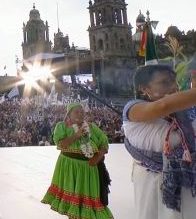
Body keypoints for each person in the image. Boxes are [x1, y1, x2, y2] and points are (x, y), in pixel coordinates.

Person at [123, 65, 196, 218]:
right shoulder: (132, 108)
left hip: (187, 183)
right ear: (144, 89)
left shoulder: (187, 110)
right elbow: (163, 105)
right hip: (151, 183)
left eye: (174, 82)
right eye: (164, 83)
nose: (173, 87)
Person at [41, 102, 113, 219]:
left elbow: (104, 142)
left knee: (88, 198)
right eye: (76, 112)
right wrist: (77, 134)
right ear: (69, 114)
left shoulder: (91, 127)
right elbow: (61, 144)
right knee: (72, 199)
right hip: (69, 166)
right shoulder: (62, 126)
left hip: (88, 168)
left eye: (82, 112)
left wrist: (98, 157)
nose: (80, 114)